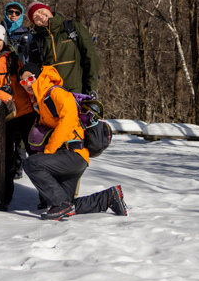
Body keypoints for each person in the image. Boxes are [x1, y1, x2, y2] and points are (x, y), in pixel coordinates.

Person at [17, 63, 127, 221]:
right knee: (67, 205)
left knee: (31, 164)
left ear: (39, 76)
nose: (27, 83)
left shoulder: (55, 92)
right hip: (71, 157)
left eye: (30, 78)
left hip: (72, 154)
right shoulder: (40, 102)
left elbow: (68, 119)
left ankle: (62, 203)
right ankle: (108, 197)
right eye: (23, 82)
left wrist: (49, 150)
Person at [0, 24, 36, 207]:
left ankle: (46, 196)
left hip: (25, 111)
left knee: (35, 152)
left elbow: (26, 81)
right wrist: (2, 95)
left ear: (4, 41)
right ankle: (5, 198)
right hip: (4, 115)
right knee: (6, 158)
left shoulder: (14, 59)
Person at [26, 2, 99, 95]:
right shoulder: (35, 42)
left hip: (78, 92)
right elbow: (35, 73)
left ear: (48, 9)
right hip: (52, 96)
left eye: (40, 11)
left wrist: (91, 89)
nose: (40, 17)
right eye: (35, 17)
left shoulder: (72, 28)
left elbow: (91, 58)